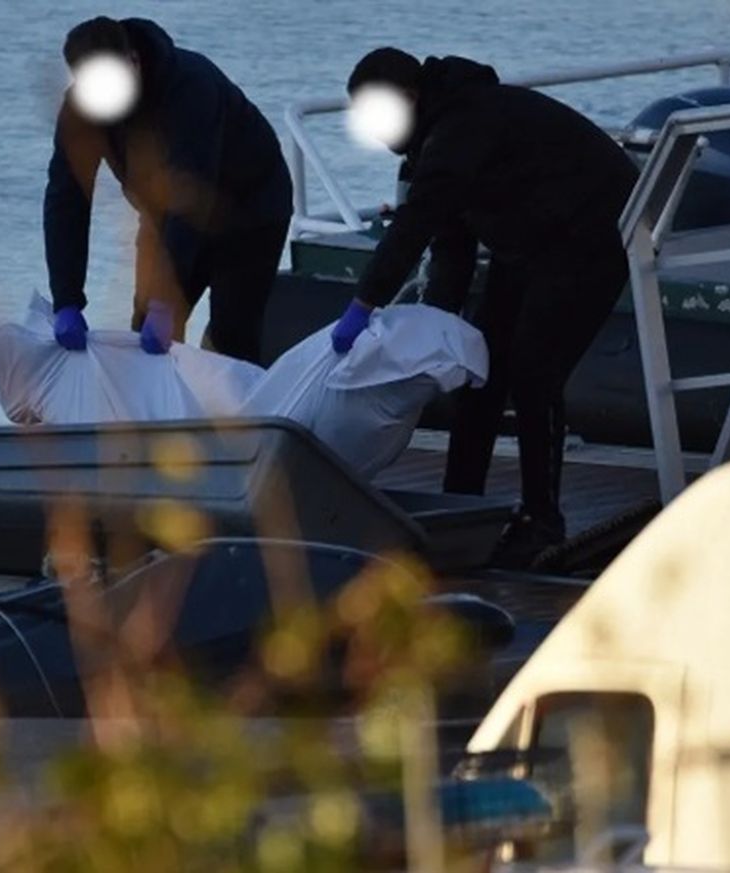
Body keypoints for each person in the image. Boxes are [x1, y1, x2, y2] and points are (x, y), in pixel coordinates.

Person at [331, 47, 639, 566]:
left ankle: (543, 523)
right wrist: (434, 323)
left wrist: (364, 302)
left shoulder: (463, 125)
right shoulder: (434, 141)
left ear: (409, 97)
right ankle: (460, 506)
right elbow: (450, 243)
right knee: (479, 369)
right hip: (530, 240)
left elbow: (414, 225)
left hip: (592, 232)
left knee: (534, 371)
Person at [44, 17, 292, 363]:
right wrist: (66, 299)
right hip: (163, 216)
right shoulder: (81, 108)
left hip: (250, 211)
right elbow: (67, 199)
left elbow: (189, 200)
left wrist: (164, 302)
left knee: (230, 341)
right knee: (145, 340)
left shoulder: (190, 88)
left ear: (134, 61)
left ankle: (236, 390)